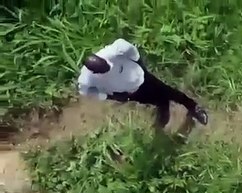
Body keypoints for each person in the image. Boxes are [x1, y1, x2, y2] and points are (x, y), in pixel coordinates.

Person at [78, 38, 208, 128]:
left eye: (107, 65)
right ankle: (163, 107)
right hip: (129, 92)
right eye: (104, 70)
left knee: (168, 92)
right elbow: (85, 91)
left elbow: (126, 46)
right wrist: (109, 96)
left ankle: (192, 107)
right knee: (150, 100)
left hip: (141, 76)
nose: (109, 67)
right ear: (95, 72)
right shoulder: (87, 79)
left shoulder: (111, 52)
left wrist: (139, 62)